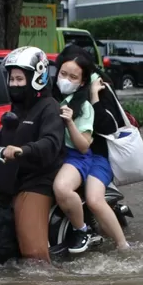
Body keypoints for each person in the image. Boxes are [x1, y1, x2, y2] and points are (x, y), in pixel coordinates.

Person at [0, 46, 65, 263]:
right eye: (11, 79)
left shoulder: (49, 107)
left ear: (36, 77)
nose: (14, 84)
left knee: (33, 257)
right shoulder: (16, 109)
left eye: (20, 79)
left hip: (35, 181)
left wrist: (23, 150)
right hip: (7, 178)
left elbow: (50, 143)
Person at [51, 46, 97, 254]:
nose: (66, 80)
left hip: (75, 156)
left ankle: (82, 230)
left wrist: (70, 122)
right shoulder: (48, 97)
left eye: (73, 77)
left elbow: (84, 145)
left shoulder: (84, 107)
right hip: (51, 152)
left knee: (61, 188)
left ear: (82, 82)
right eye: (63, 74)